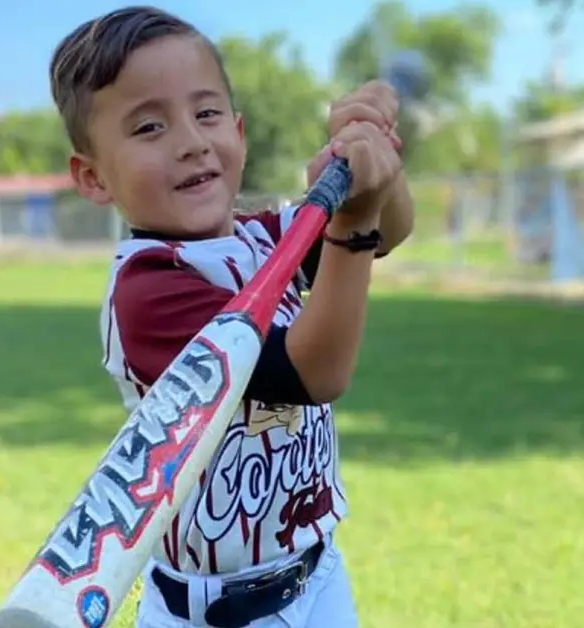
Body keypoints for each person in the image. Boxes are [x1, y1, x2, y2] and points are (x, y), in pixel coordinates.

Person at [48, 6, 413, 627]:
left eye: (207, 113)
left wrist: (372, 157)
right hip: (212, 612)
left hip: (316, 576)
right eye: (148, 128)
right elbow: (312, 373)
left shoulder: (264, 237)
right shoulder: (147, 290)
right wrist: (352, 222)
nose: (191, 141)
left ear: (239, 133)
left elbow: (391, 232)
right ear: (92, 176)